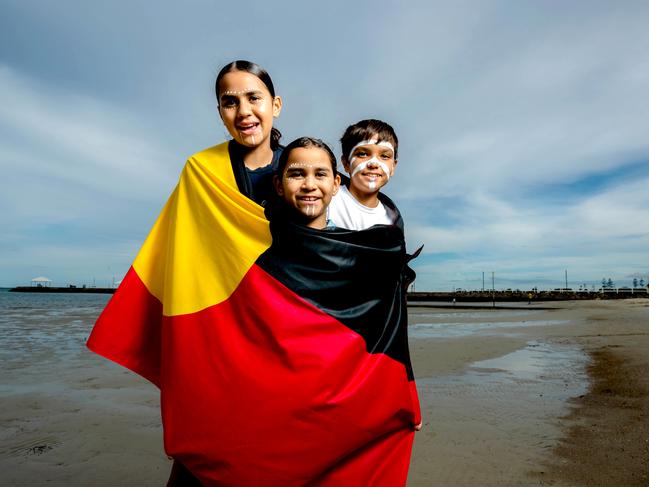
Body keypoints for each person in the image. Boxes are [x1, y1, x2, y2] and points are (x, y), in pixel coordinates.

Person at [216, 59, 283, 206]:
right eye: (230, 103)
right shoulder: (203, 172)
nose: (243, 112)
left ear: (275, 106)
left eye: (254, 98)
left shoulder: (302, 169)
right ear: (220, 114)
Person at [327, 119, 401, 230]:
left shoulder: (392, 222)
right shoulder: (326, 199)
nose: (373, 164)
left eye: (384, 156)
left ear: (393, 167)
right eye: (362, 154)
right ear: (346, 163)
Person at [272, 137, 341, 230]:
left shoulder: (352, 243)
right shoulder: (263, 242)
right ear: (279, 185)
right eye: (297, 175)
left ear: (335, 184)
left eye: (320, 174)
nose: (309, 185)